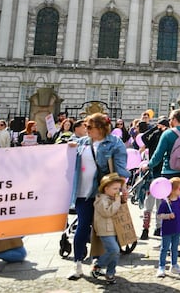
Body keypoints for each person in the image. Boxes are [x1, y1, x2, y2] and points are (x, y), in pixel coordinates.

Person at [67, 113, 130, 280]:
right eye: (85, 127)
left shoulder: (115, 143)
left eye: (89, 127)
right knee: (82, 227)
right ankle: (77, 264)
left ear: (101, 128)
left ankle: (102, 265)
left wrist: (122, 189)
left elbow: (121, 170)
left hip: (103, 195)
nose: (85, 130)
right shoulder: (81, 143)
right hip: (82, 193)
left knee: (105, 231)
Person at [147, 109, 180, 197]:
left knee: (169, 202)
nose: (170, 122)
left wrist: (148, 165)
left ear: (174, 119)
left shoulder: (167, 134)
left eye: (170, 119)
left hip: (170, 171)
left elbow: (158, 154)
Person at [93, 173, 125, 284]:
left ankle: (110, 273)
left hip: (114, 229)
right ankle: (98, 265)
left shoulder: (112, 198)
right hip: (105, 230)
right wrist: (117, 202)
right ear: (106, 188)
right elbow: (107, 212)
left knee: (115, 254)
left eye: (118, 189)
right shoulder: (101, 200)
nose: (117, 191)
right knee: (114, 250)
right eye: (115, 188)